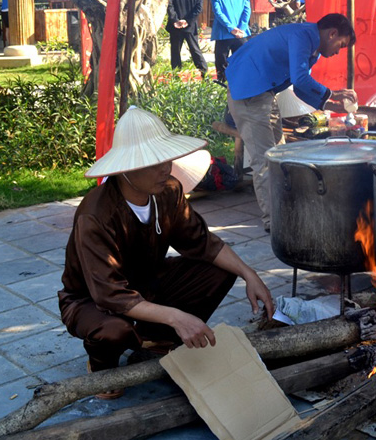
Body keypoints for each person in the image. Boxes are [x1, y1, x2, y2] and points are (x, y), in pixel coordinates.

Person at [59, 107, 274, 398]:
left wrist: (250, 274)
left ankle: (156, 339)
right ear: (128, 168)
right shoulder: (96, 214)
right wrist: (176, 316)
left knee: (222, 270)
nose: (166, 169)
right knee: (114, 331)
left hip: (147, 280)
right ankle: (101, 366)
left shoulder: (168, 191)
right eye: (154, 163)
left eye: (166, 159)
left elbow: (202, 243)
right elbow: (109, 294)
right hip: (93, 300)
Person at [225, 13, 358, 231]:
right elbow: (301, 79)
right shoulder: (303, 36)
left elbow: (299, 87)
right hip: (249, 93)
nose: (336, 52)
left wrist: (331, 105)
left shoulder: (310, 41)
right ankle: (275, 223)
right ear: (332, 33)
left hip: (263, 93)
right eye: (340, 45)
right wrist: (332, 93)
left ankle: (285, 212)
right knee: (265, 161)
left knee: (280, 155)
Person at [210, 0, 251, 83]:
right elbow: (247, 10)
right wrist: (241, 28)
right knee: (242, 62)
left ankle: (224, 89)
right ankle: (243, 87)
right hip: (241, 34)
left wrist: (231, 28)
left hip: (223, 34)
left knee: (221, 64)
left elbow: (218, 14)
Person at [166, 0, 208, 79]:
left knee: (175, 52)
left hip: (175, 27)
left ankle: (176, 76)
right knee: (195, 50)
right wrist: (187, 21)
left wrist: (175, 20)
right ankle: (204, 73)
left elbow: (169, 4)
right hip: (189, 27)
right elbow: (198, 9)